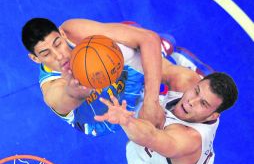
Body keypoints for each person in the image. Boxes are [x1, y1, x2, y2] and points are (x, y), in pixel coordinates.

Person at [95, 66, 238, 164]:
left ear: (214, 116)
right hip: (193, 163)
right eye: (196, 91)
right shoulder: (187, 80)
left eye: (203, 103)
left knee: (145, 129)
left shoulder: (187, 139)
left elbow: (149, 136)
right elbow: (148, 44)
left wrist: (125, 121)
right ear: (196, 83)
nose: (191, 101)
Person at [21, 18, 168, 136]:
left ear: (62, 34)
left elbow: (149, 38)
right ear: (35, 59)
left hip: (122, 82)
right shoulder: (51, 86)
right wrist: (74, 93)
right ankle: (131, 34)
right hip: (103, 118)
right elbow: (60, 99)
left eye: (58, 44)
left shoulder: (72, 31)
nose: (59, 56)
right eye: (46, 54)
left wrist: (151, 102)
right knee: (153, 134)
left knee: (182, 78)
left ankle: (155, 50)